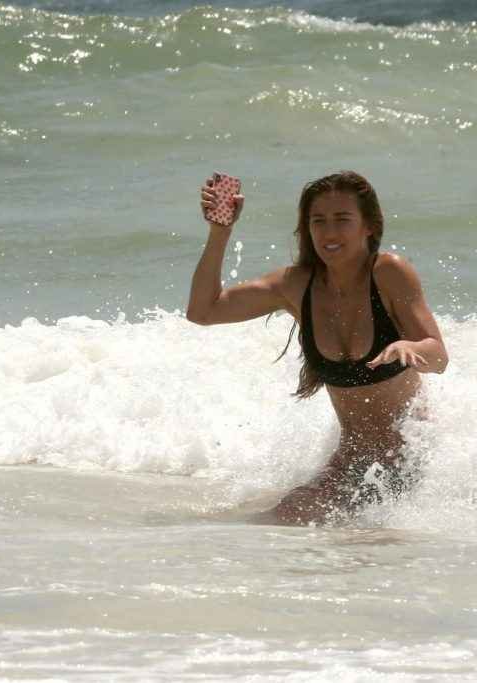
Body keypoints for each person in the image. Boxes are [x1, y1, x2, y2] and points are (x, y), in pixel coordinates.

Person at [187, 171, 448, 525]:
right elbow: (204, 311)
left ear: (368, 226)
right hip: (352, 464)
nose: (328, 232)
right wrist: (221, 233)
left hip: (414, 462)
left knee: (372, 551)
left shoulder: (389, 272)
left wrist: (409, 346)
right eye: (318, 221)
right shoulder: (294, 285)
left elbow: (439, 357)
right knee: (278, 522)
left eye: (342, 220)